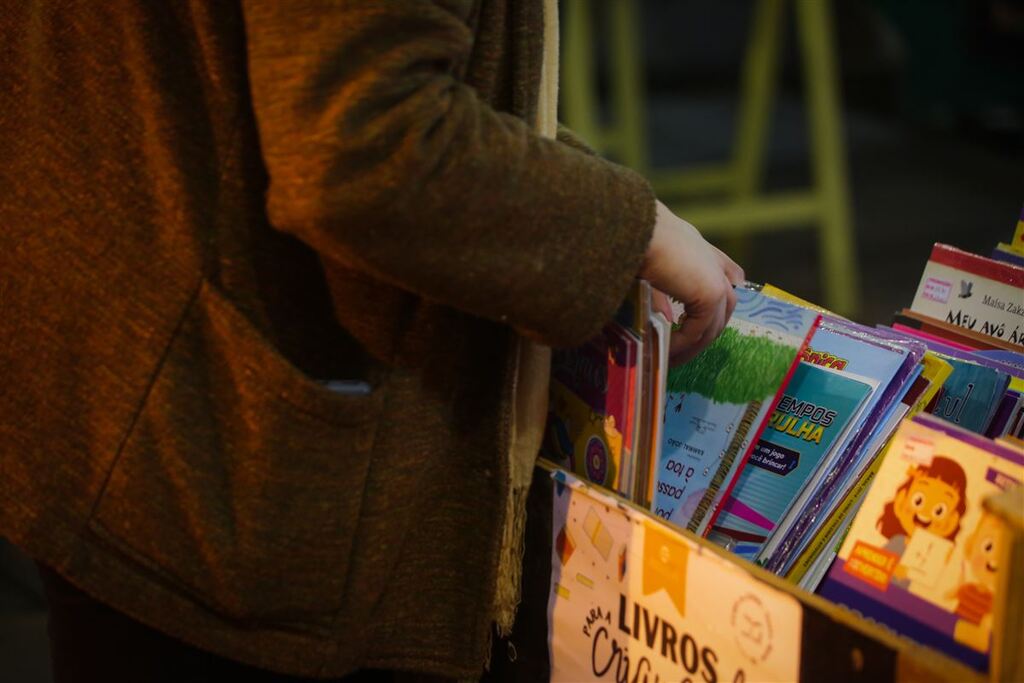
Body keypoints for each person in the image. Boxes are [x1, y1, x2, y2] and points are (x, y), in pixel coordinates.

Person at [0, 1, 742, 681]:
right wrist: (630, 232)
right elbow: (364, 146)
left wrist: (585, 195)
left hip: (140, 381)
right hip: (218, 470)